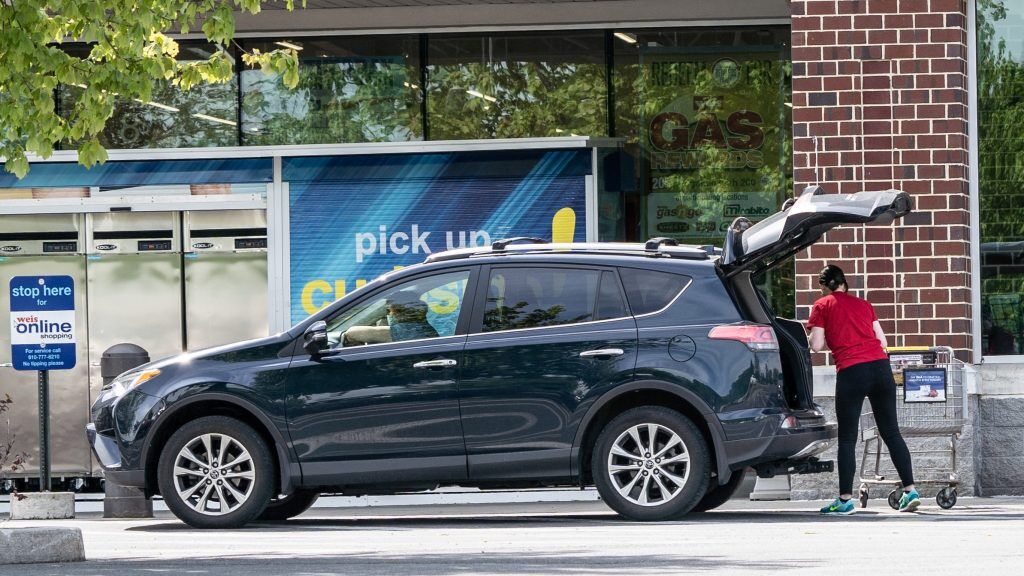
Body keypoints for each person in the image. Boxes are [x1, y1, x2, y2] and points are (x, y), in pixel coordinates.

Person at [807, 264, 919, 515]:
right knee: (891, 432)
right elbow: (883, 341)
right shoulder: (864, 305)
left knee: (847, 439)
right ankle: (911, 491)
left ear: (824, 286)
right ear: (845, 283)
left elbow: (816, 345)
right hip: (880, 369)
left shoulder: (822, 305)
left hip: (852, 372)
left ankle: (845, 500)